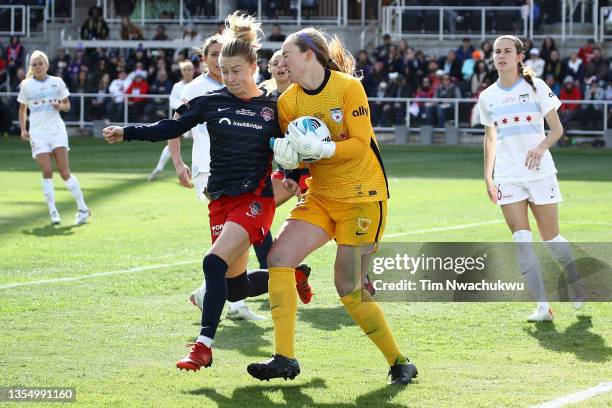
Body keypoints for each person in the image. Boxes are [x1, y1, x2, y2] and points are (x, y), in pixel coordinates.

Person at [102, 12, 305, 372]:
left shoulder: (275, 107)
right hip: (221, 200)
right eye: (224, 71)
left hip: (256, 200)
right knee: (236, 287)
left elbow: (297, 147)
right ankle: (294, 274)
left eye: (236, 70)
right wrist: (129, 130)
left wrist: (294, 173)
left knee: (212, 261)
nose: (229, 77)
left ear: (253, 67)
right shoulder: (212, 101)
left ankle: (203, 346)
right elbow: (172, 125)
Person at [247, 28, 417, 386]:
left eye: (287, 54)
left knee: (347, 286)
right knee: (278, 259)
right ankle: (284, 358)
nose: (280, 61)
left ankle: (399, 361)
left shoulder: (347, 88)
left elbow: (360, 144)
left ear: (309, 55)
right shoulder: (287, 102)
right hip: (322, 197)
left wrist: (324, 151)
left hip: (363, 198)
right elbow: (299, 157)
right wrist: (289, 164)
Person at [479, 35, 586, 322]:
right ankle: (543, 307)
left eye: (507, 51)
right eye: (497, 52)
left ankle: (575, 280)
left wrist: (540, 148)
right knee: (521, 241)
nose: (500, 56)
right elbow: (490, 138)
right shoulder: (487, 97)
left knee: (551, 239)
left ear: (519, 56)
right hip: (507, 176)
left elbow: (557, 129)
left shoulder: (536, 87)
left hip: (540, 174)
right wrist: (488, 176)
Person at [18, 51, 90, 226]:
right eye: (34, 64)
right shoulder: (26, 85)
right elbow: (22, 110)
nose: (37, 67)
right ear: (31, 67)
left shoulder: (57, 82)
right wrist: (23, 130)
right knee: (47, 170)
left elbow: (67, 105)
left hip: (57, 131)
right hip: (38, 133)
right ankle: (53, 212)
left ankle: (83, 209)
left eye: (40, 63)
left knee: (65, 172)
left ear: (46, 65)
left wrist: (60, 106)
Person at [148, 60, 195, 181]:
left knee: (203, 142)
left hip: (198, 119)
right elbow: (172, 101)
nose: (187, 72)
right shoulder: (177, 86)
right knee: (172, 142)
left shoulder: (197, 85)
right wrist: (184, 105)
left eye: (189, 69)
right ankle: (159, 168)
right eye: (185, 70)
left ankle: (202, 173)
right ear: (181, 72)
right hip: (182, 119)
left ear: (193, 71)